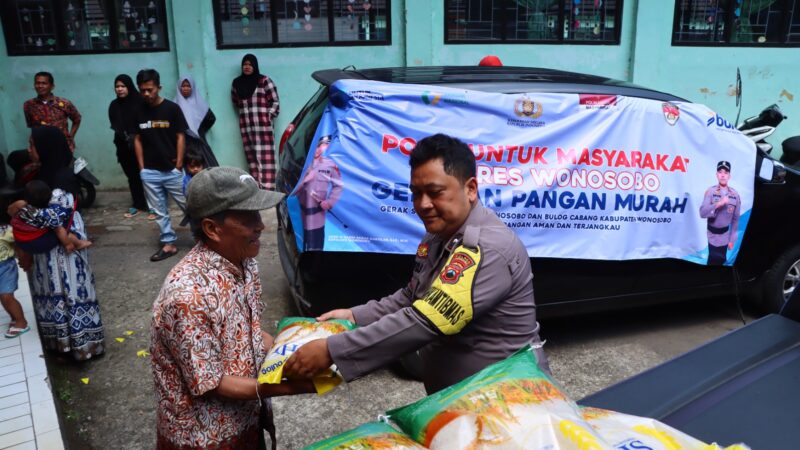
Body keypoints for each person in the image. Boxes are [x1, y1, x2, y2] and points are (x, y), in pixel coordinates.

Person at [283, 134, 549, 395]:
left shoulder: (486, 249)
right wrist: (355, 316)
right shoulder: (438, 236)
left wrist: (333, 350)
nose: (423, 204)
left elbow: (426, 320)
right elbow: (413, 296)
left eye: (435, 192)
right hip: (463, 400)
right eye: (416, 193)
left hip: (508, 400)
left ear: (470, 189)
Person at [150, 166, 314, 449]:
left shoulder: (244, 262)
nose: (261, 225)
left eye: (258, 214)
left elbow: (248, 331)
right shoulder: (187, 297)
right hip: (204, 437)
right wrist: (292, 386)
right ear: (212, 229)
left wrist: (292, 353)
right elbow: (212, 382)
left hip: (246, 417)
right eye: (248, 217)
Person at [25, 173, 104, 360]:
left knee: (65, 296)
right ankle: (77, 346)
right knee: (69, 296)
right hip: (60, 259)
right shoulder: (60, 195)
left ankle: (70, 346)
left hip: (57, 260)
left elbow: (51, 221)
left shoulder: (55, 195)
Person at [133, 69, 188, 262]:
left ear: (159, 87)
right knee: (159, 212)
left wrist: (179, 164)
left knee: (190, 206)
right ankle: (169, 244)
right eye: (142, 90)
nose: (146, 94)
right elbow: (137, 139)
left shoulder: (172, 109)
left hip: (172, 170)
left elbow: (181, 136)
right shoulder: (137, 111)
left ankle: (203, 239)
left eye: (150, 89)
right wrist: (142, 168)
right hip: (149, 172)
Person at [231, 54, 280, 189]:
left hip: (263, 126)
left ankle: (268, 188)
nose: (247, 67)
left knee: (266, 157)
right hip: (246, 126)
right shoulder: (237, 83)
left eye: (250, 64)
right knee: (252, 157)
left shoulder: (264, 81)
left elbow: (275, 101)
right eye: (245, 64)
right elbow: (236, 101)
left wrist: (267, 116)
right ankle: (257, 188)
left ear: (255, 66)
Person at [108, 74, 151, 219]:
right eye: (117, 86)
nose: (119, 89)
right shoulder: (114, 105)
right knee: (132, 176)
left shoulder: (141, 101)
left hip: (143, 145)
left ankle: (153, 204)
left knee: (147, 175)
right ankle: (138, 203)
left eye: (123, 86)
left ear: (130, 87)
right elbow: (115, 124)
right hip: (123, 146)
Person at [9, 180, 91, 254]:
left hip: (19, 241)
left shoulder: (20, 206)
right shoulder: (47, 214)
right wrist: (68, 244)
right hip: (38, 244)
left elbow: (10, 211)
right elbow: (59, 230)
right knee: (62, 228)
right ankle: (79, 243)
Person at [295, 135, 343, 251]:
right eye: (314, 147)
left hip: (317, 219)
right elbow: (292, 190)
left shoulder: (329, 165)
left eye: (319, 146)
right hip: (300, 218)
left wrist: (329, 202)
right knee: (300, 249)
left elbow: (338, 185)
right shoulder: (302, 163)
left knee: (316, 250)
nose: (316, 150)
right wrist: (305, 179)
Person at [23, 72, 82, 152]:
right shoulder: (29, 105)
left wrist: (70, 137)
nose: (40, 86)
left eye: (44, 83)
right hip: (40, 147)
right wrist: (33, 146)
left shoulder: (64, 103)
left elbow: (77, 119)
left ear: (52, 86)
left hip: (62, 146)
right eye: (37, 83)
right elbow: (32, 126)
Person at [699, 160, 740, 265]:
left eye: (726, 172)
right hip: (712, 235)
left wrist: (732, 239)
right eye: (720, 172)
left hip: (725, 236)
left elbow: (735, 219)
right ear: (716, 174)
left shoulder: (735, 195)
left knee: (722, 261)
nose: (723, 175)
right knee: (712, 260)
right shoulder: (710, 192)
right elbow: (702, 213)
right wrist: (719, 204)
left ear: (729, 176)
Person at [173, 75, 219, 168]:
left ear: (192, 87)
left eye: (188, 86)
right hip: (184, 144)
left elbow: (211, 118)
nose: (186, 88)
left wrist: (200, 130)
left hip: (199, 143)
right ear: (179, 87)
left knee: (209, 170)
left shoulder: (199, 103)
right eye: (183, 86)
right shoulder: (174, 105)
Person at [0, 206, 29, 339]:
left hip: (6, 267)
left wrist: (24, 260)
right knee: (3, 297)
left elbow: (19, 243)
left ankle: (21, 322)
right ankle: (15, 317)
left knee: (7, 296)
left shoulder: (6, 230)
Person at [27, 126, 74, 190]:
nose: (29, 150)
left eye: (31, 145)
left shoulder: (58, 186)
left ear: (44, 148)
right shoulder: (45, 171)